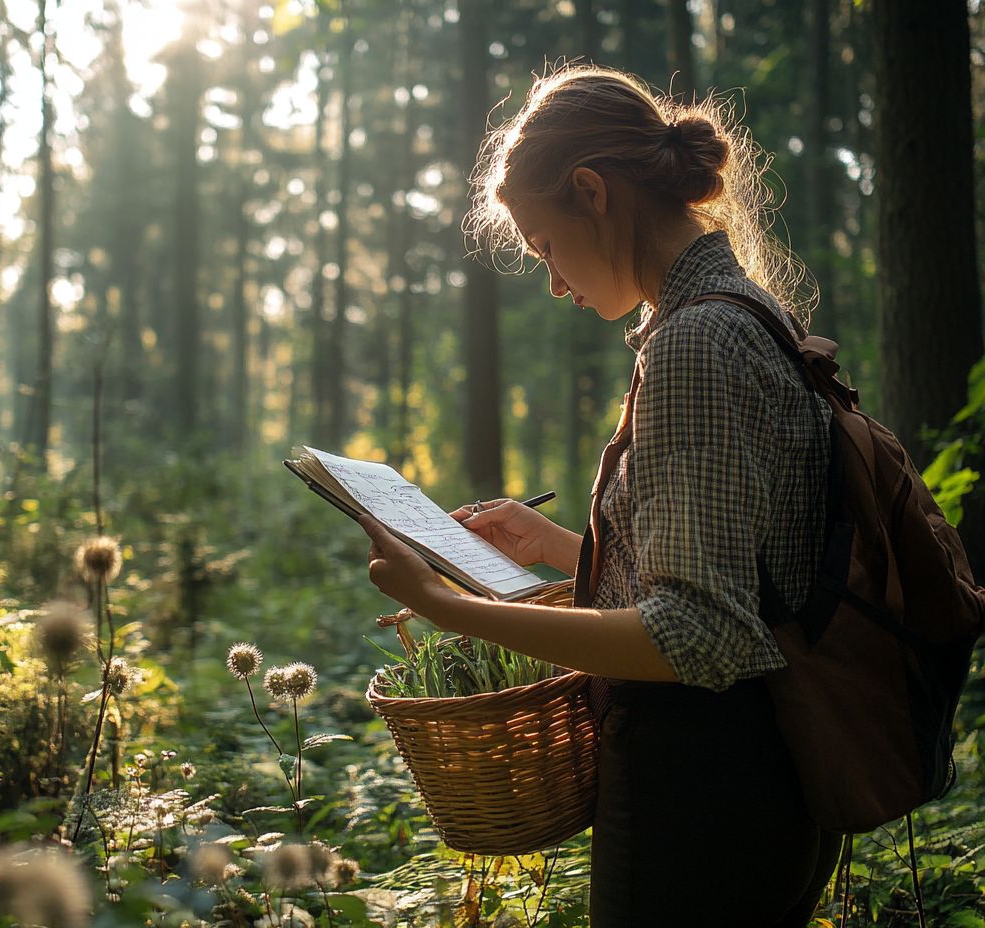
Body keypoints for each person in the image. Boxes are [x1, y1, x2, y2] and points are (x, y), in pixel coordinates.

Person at [355, 62, 845, 927]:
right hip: (752, 785)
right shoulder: (739, 313)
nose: (551, 280)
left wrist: (441, 601)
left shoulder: (698, 342)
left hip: (707, 798)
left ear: (592, 191)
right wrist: (560, 548)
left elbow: (702, 637)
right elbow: (737, 585)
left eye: (545, 244)